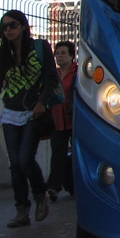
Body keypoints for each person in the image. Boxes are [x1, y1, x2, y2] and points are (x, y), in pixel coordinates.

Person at [0, 10, 59, 228]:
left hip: (34, 113)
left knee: (25, 159)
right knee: (14, 164)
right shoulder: (4, 55)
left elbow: (52, 77)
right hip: (11, 114)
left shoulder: (40, 48)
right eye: (4, 27)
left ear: (23, 26)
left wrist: (42, 102)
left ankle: (40, 194)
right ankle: (21, 210)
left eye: (13, 25)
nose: (8, 30)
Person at [46, 40, 76, 202]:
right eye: (57, 53)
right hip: (57, 119)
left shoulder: (78, 72)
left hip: (75, 119)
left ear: (72, 56)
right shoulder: (53, 75)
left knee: (77, 154)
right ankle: (54, 187)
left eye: (63, 53)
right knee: (58, 154)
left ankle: (76, 184)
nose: (60, 56)